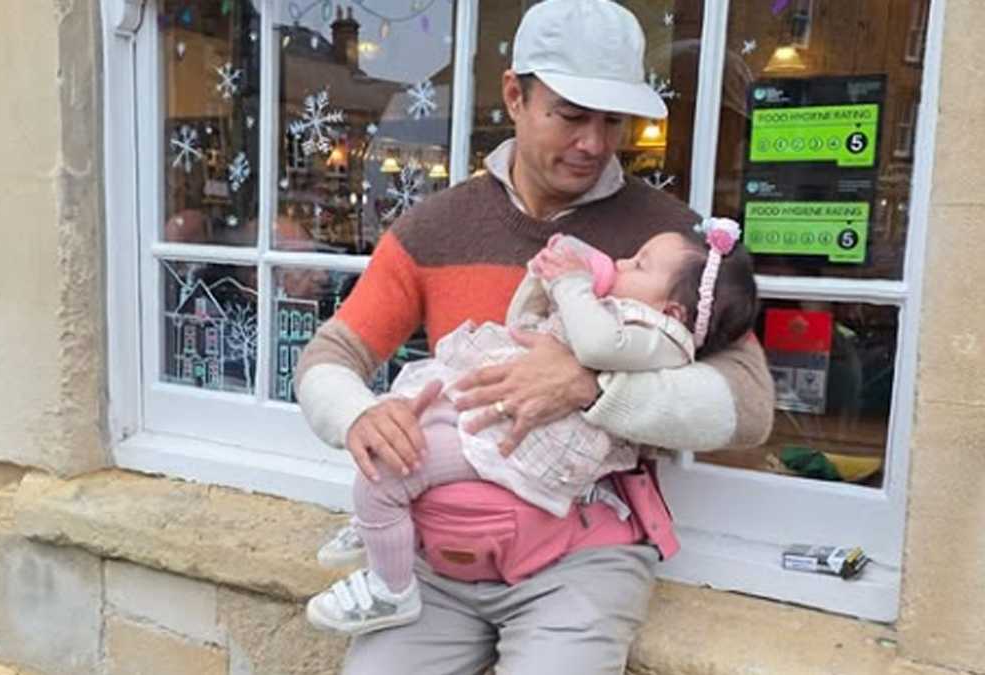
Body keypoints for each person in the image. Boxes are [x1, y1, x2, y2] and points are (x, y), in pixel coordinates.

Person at [295, 0, 774, 671]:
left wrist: (592, 385)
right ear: (514, 96)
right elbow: (332, 354)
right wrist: (359, 416)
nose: (595, 143)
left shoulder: (671, 245)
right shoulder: (436, 225)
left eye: (612, 120)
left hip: (582, 555)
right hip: (437, 559)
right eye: (572, 115)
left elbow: (750, 405)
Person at [305, 222, 758, 635]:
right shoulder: (438, 223)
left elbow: (748, 407)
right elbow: (520, 322)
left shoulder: (656, 329)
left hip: (551, 494)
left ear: (674, 310)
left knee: (392, 471)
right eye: (631, 257)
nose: (621, 263)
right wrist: (550, 272)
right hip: (450, 538)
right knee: (410, 416)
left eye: (638, 264)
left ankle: (390, 588)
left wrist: (575, 299)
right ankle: (379, 527)